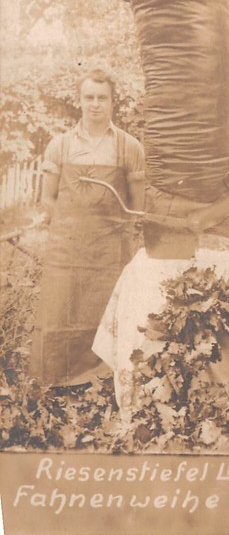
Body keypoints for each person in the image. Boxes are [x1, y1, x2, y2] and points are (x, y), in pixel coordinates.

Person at [30, 69, 145, 388]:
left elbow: (137, 207)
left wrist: (115, 236)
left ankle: (104, 384)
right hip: (66, 251)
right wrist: (66, 232)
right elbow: (48, 199)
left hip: (109, 253)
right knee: (58, 315)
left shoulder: (129, 147)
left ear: (112, 102)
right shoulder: (60, 145)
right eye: (89, 97)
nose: (95, 104)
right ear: (79, 101)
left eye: (102, 98)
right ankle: (55, 382)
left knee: (107, 317)